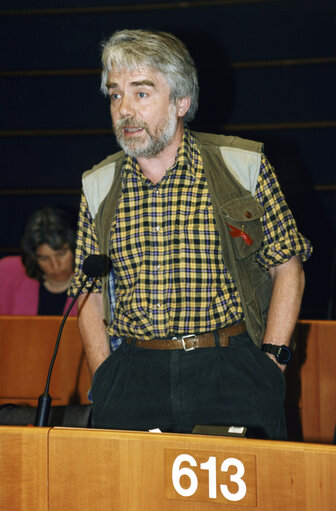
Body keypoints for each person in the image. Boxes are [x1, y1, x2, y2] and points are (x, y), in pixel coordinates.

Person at [70, 29, 312, 439]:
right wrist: (105, 375)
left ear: (181, 102)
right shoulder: (98, 184)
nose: (124, 110)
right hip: (134, 374)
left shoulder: (242, 165)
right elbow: (88, 293)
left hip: (228, 369)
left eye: (141, 94)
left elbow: (288, 268)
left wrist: (271, 362)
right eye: (115, 95)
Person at [0, 207, 77, 316]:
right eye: (44, 258)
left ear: (74, 249)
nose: (55, 265)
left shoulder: (95, 283)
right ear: (33, 257)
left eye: (61, 254)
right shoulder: (6, 273)